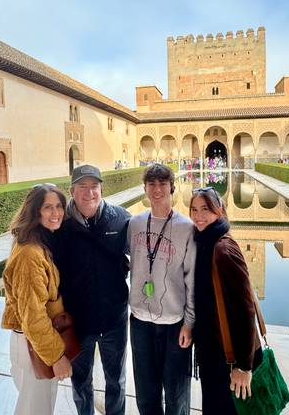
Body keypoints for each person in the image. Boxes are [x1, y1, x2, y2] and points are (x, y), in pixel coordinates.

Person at [53, 164, 130, 415]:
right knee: (81, 382)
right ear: (72, 191)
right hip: (78, 324)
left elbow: (145, 256)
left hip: (114, 321)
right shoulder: (60, 227)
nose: (89, 193)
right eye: (82, 187)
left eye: (94, 187)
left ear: (101, 188)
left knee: (116, 381)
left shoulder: (120, 218)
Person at [128, 163, 196, 415]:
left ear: (172, 188)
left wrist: (189, 323)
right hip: (140, 322)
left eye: (162, 184)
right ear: (145, 188)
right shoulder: (134, 224)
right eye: (152, 184)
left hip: (175, 323)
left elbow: (192, 279)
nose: (157, 189)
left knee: (177, 395)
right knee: (146, 394)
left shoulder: (185, 227)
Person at [189, 187, 263, 414]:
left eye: (205, 209)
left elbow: (245, 310)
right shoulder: (204, 241)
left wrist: (244, 366)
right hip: (214, 351)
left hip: (229, 357)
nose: (198, 216)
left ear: (219, 211)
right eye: (194, 210)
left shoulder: (222, 249)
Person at [1, 184, 72, 415]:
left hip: (34, 343)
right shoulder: (30, 255)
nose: (56, 213)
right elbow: (33, 317)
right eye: (48, 207)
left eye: (59, 206)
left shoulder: (37, 244)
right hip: (34, 345)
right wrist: (56, 357)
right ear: (35, 212)